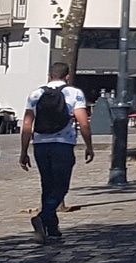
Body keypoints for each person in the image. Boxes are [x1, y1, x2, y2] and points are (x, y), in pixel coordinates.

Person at [20, 63, 92, 242]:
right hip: (63, 144)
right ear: (67, 76)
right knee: (61, 186)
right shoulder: (74, 93)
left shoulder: (35, 94)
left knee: (47, 184)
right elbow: (83, 122)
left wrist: (24, 151)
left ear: (49, 76)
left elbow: (27, 124)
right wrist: (89, 146)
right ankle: (43, 217)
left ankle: (51, 228)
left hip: (40, 145)